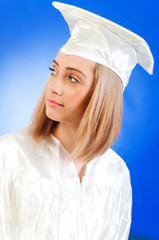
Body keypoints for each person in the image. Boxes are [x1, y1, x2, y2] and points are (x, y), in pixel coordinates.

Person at [0, 2, 154, 240]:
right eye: (54, 70)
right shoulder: (10, 154)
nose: (54, 87)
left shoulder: (116, 172)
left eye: (72, 78)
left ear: (102, 96)